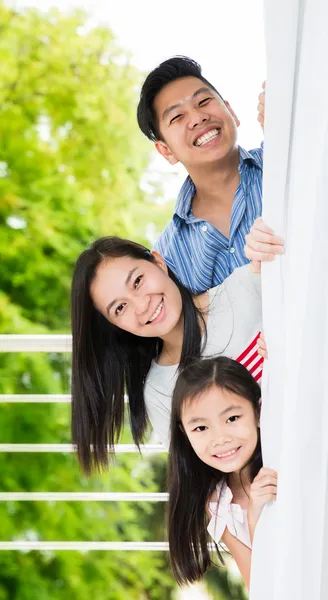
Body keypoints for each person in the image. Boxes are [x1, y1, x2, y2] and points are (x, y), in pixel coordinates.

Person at [71, 236, 263, 474]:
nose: (141, 306)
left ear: (159, 262)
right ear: (115, 326)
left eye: (138, 281)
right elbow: (204, 484)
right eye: (120, 308)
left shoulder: (245, 289)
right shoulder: (159, 390)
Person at [137, 56, 265, 293]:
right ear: (166, 151)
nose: (198, 118)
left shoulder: (284, 162)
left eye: (204, 101)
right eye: (177, 117)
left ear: (232, 112)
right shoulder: (168, 257)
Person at [167, 355, 277, 591]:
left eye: (232, 418)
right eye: (201, 427)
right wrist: (255, 518)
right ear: (184, 433)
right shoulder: (218, 504)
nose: (220, 439)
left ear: (258, 412)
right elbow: (260, 586)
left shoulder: (283, 465)